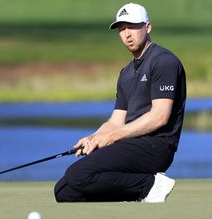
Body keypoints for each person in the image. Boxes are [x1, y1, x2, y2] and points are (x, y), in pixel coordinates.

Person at [54, 3, 186, 202]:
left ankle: (150, 185)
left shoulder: (163, 61)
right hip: (130, 143)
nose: (127, 34)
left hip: (156, 146)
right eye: (122, 29)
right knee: (64, 191)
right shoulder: (126, 73)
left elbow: (159, 116)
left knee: (77, 175)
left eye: (132, 27)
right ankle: (141, 189)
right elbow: (116, 121)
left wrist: (111, 138)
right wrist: (93, 137)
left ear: (147, 27)